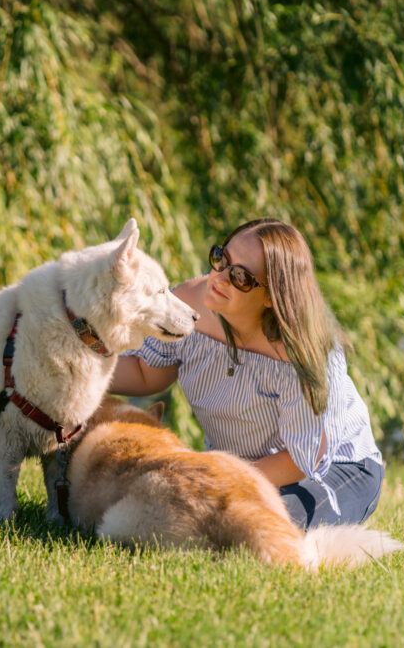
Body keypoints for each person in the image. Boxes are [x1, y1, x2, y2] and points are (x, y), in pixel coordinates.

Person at [110, 218, 384, 529]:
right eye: (221, 258)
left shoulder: (299, 353)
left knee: (257, 526)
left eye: (241, 276)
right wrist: (76, 370)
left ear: (272, 296)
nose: (220, 277)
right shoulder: (187, 304)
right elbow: (147, 374)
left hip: (333, 468)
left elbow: (301, 459)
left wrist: (217, 479)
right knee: (190, 517)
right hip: (239, 466)